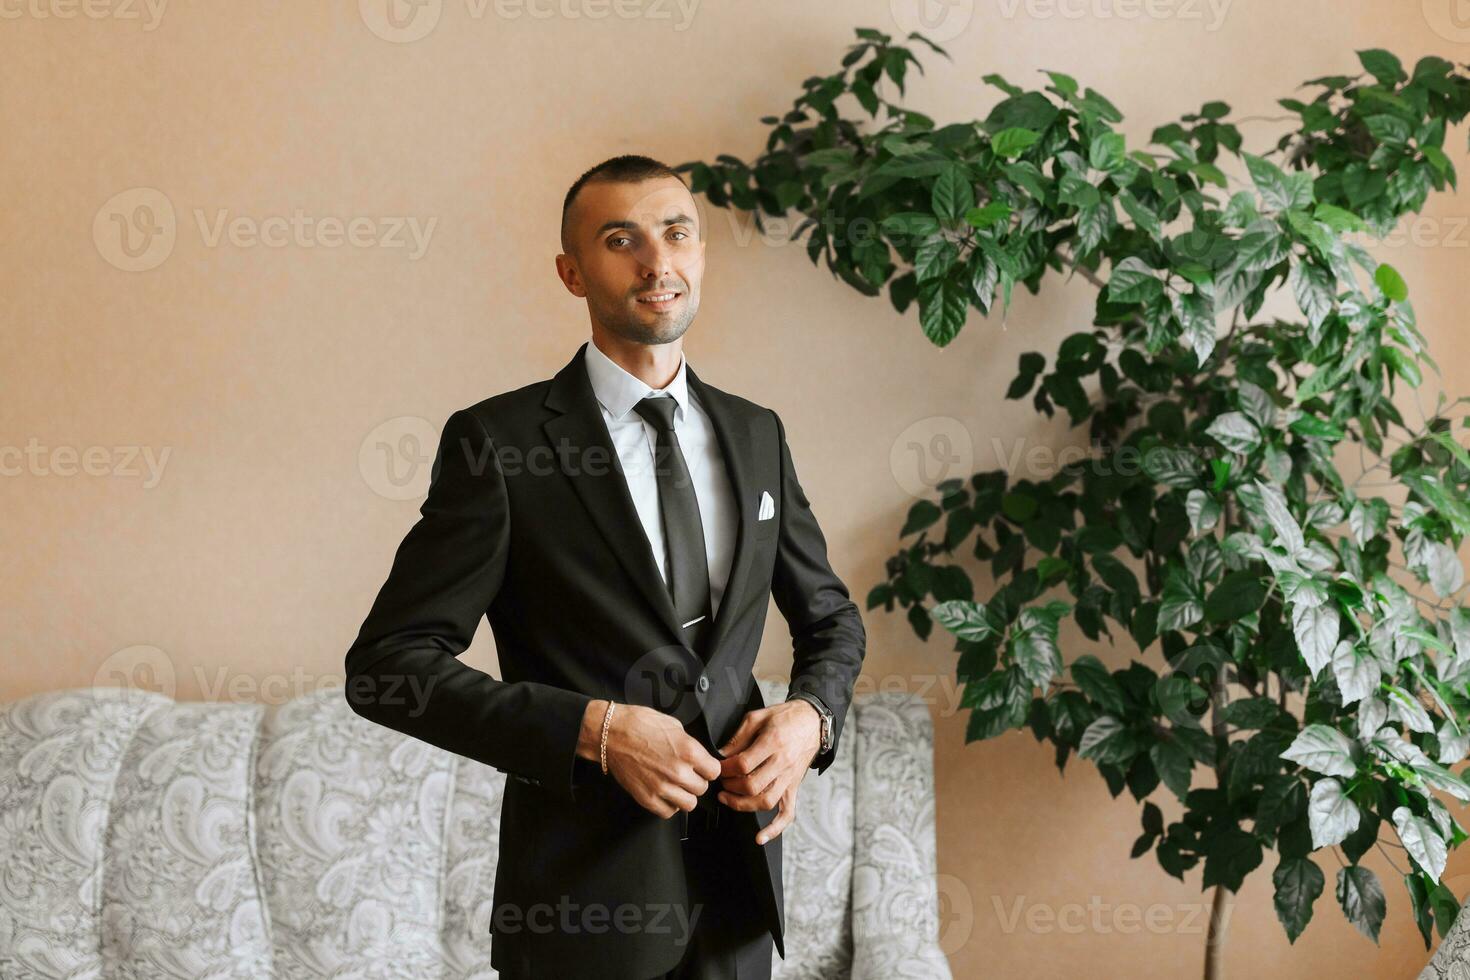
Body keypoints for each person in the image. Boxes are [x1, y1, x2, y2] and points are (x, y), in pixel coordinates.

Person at [344, 154, 866, 979]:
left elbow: (831, 619)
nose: (657, 262)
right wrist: (596, 730)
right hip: (579, 917)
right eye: (621, 240)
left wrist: (810, 722)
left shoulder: (757, 433)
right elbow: (385, 667)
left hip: (738, 897)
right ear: (572, 272)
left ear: (700, 254)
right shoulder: (501, 446)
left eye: (676, 233)